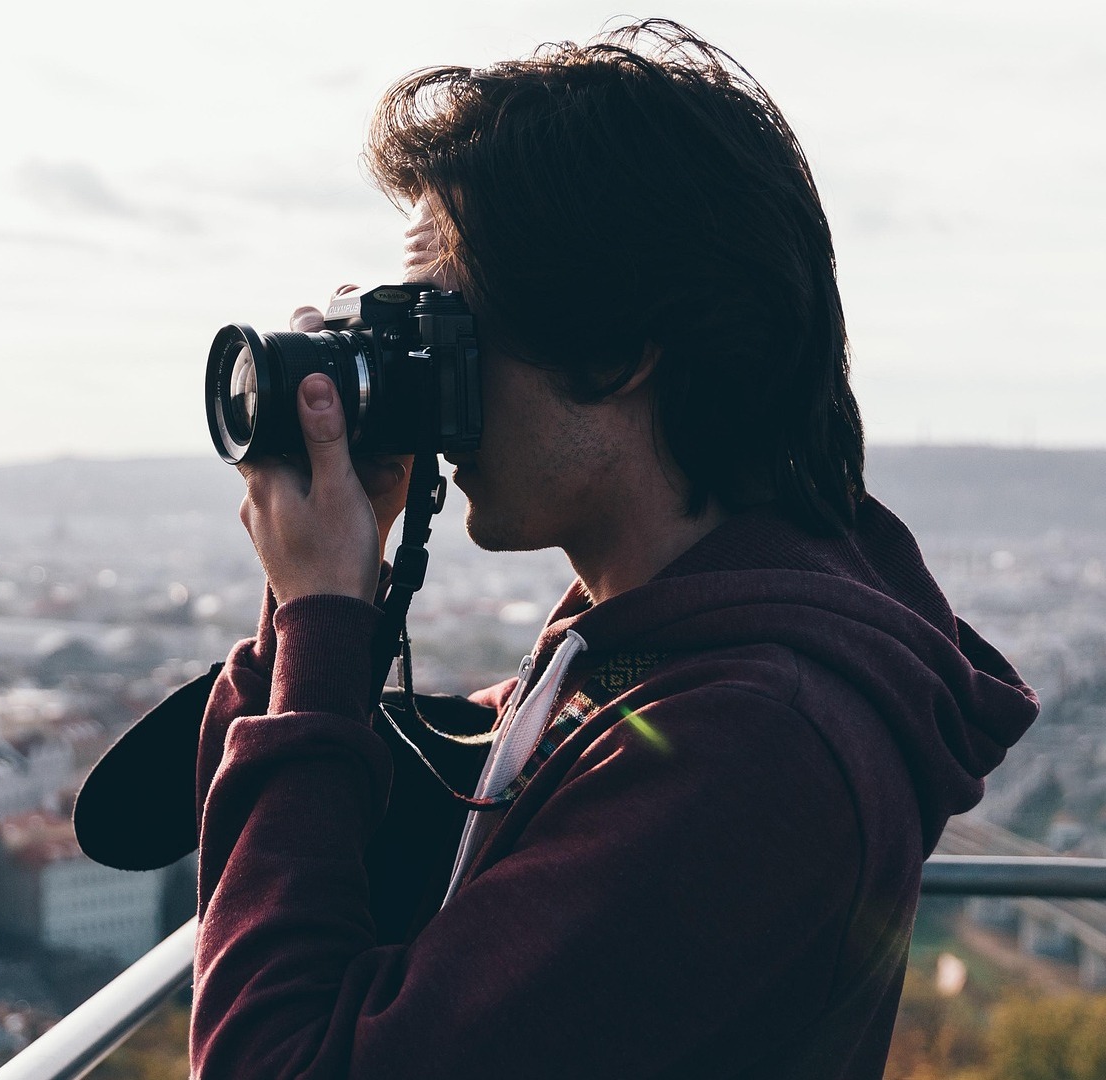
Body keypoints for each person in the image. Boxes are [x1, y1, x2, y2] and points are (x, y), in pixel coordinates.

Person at [192, 20, 1038, 1079]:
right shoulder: (649, 645)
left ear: (617, 350)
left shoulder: (748, 743)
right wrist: (317, 612)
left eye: (445, 335)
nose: (424, 387)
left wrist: (321, 614)